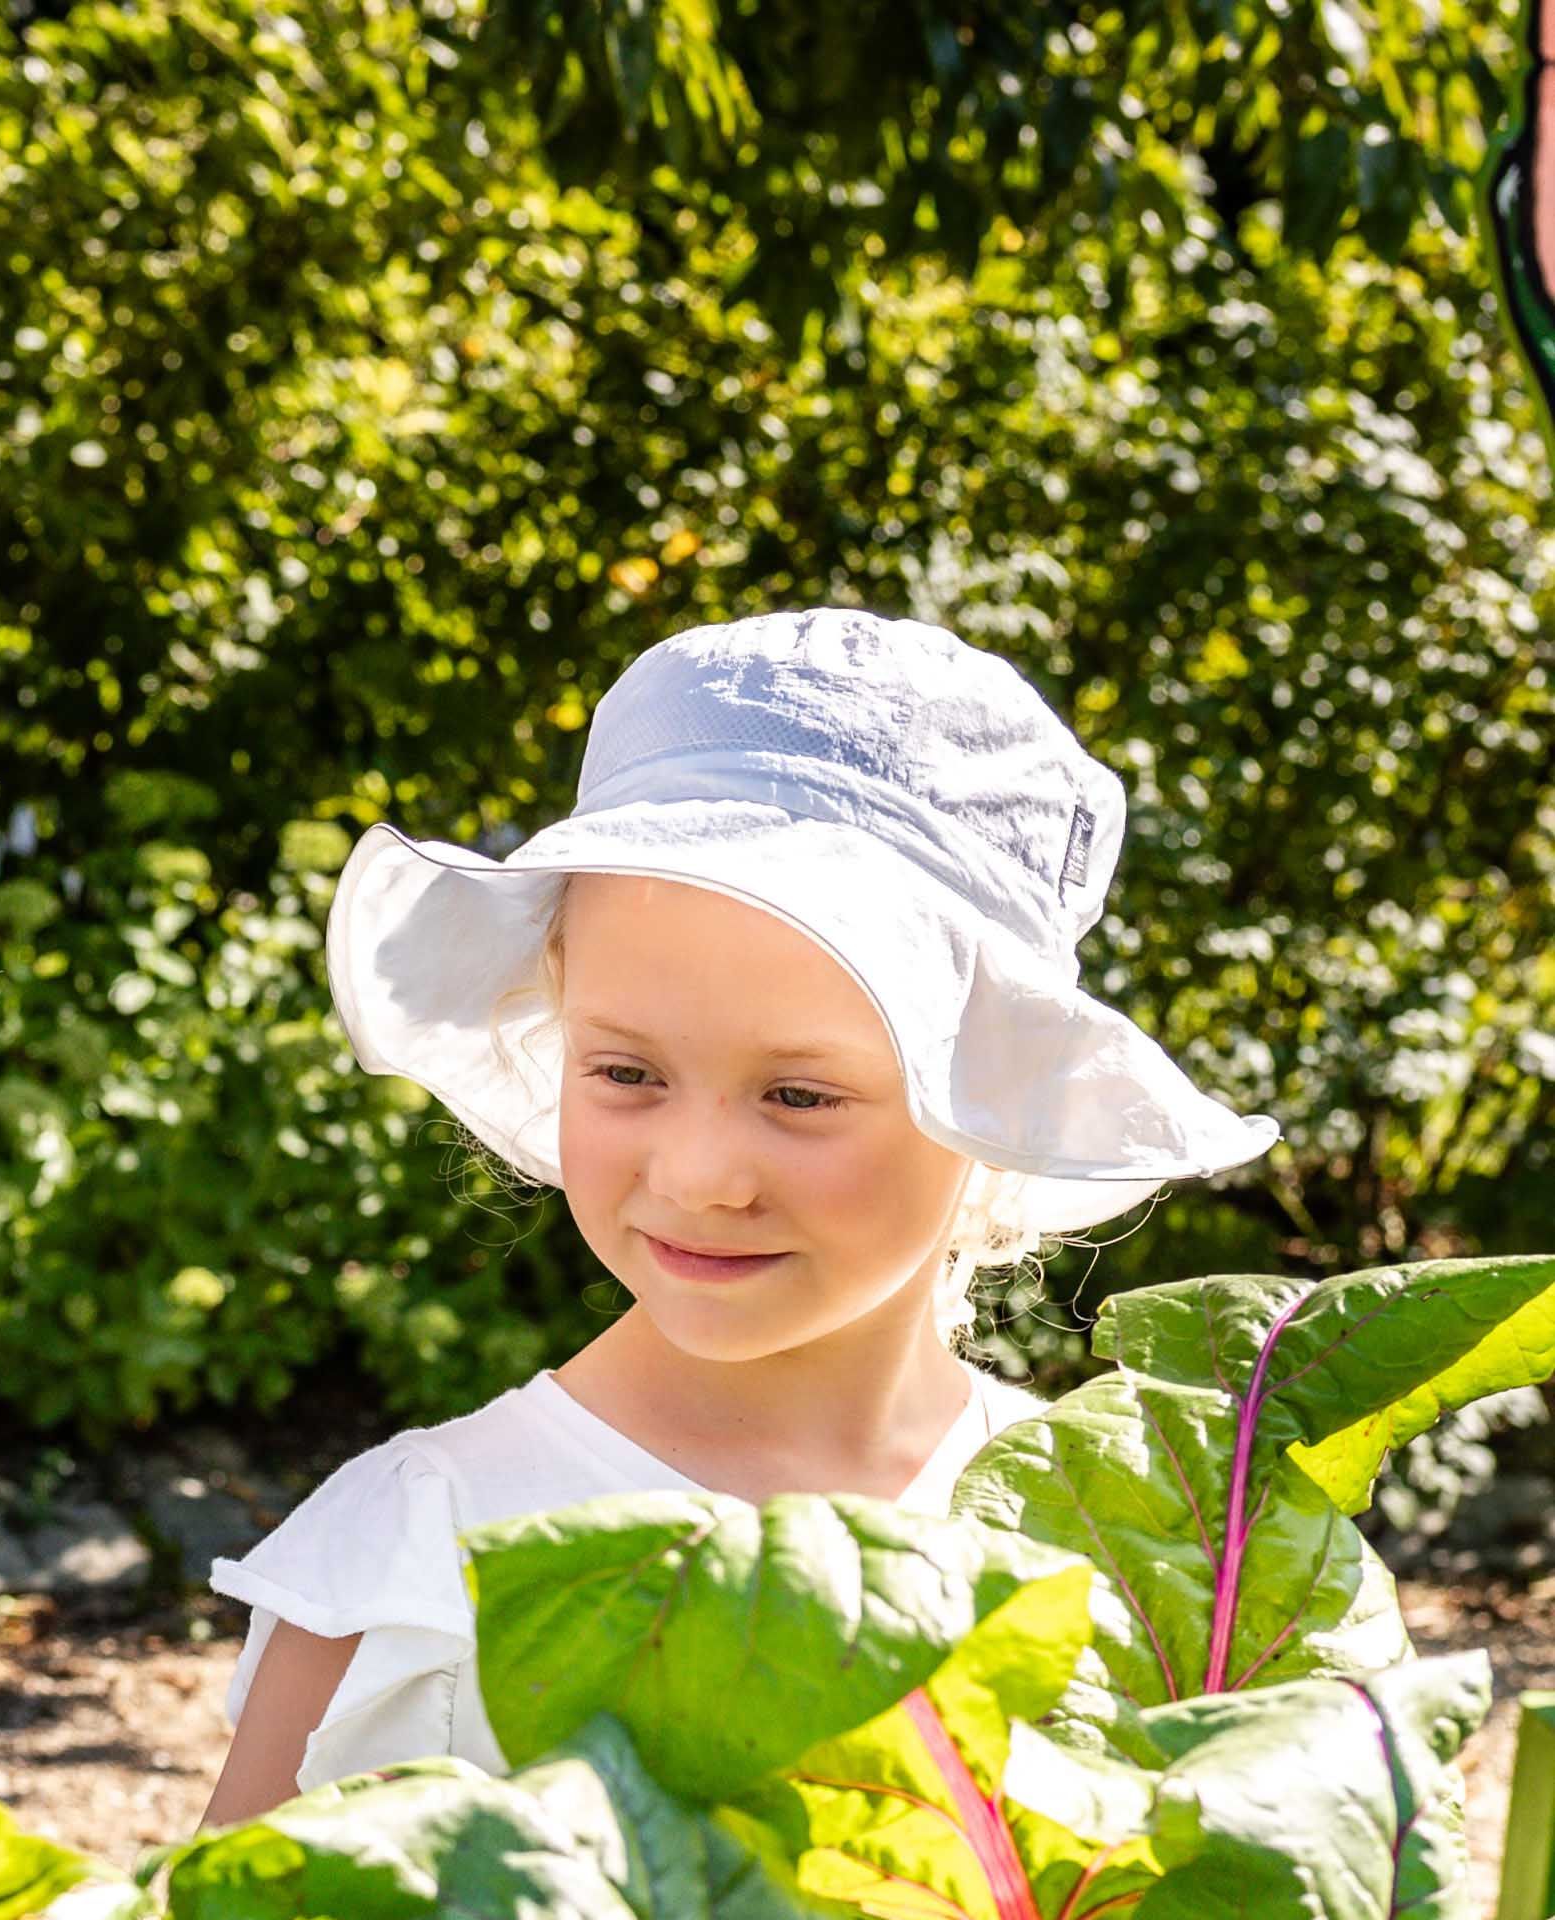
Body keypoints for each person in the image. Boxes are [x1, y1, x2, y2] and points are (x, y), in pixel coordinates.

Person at [201, 608, 1281, 1820]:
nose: (699, 1173)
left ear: (991, 1092)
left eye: (799, 1094)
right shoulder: (424, 1559)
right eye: (625, 1073)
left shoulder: (1110, 1546)